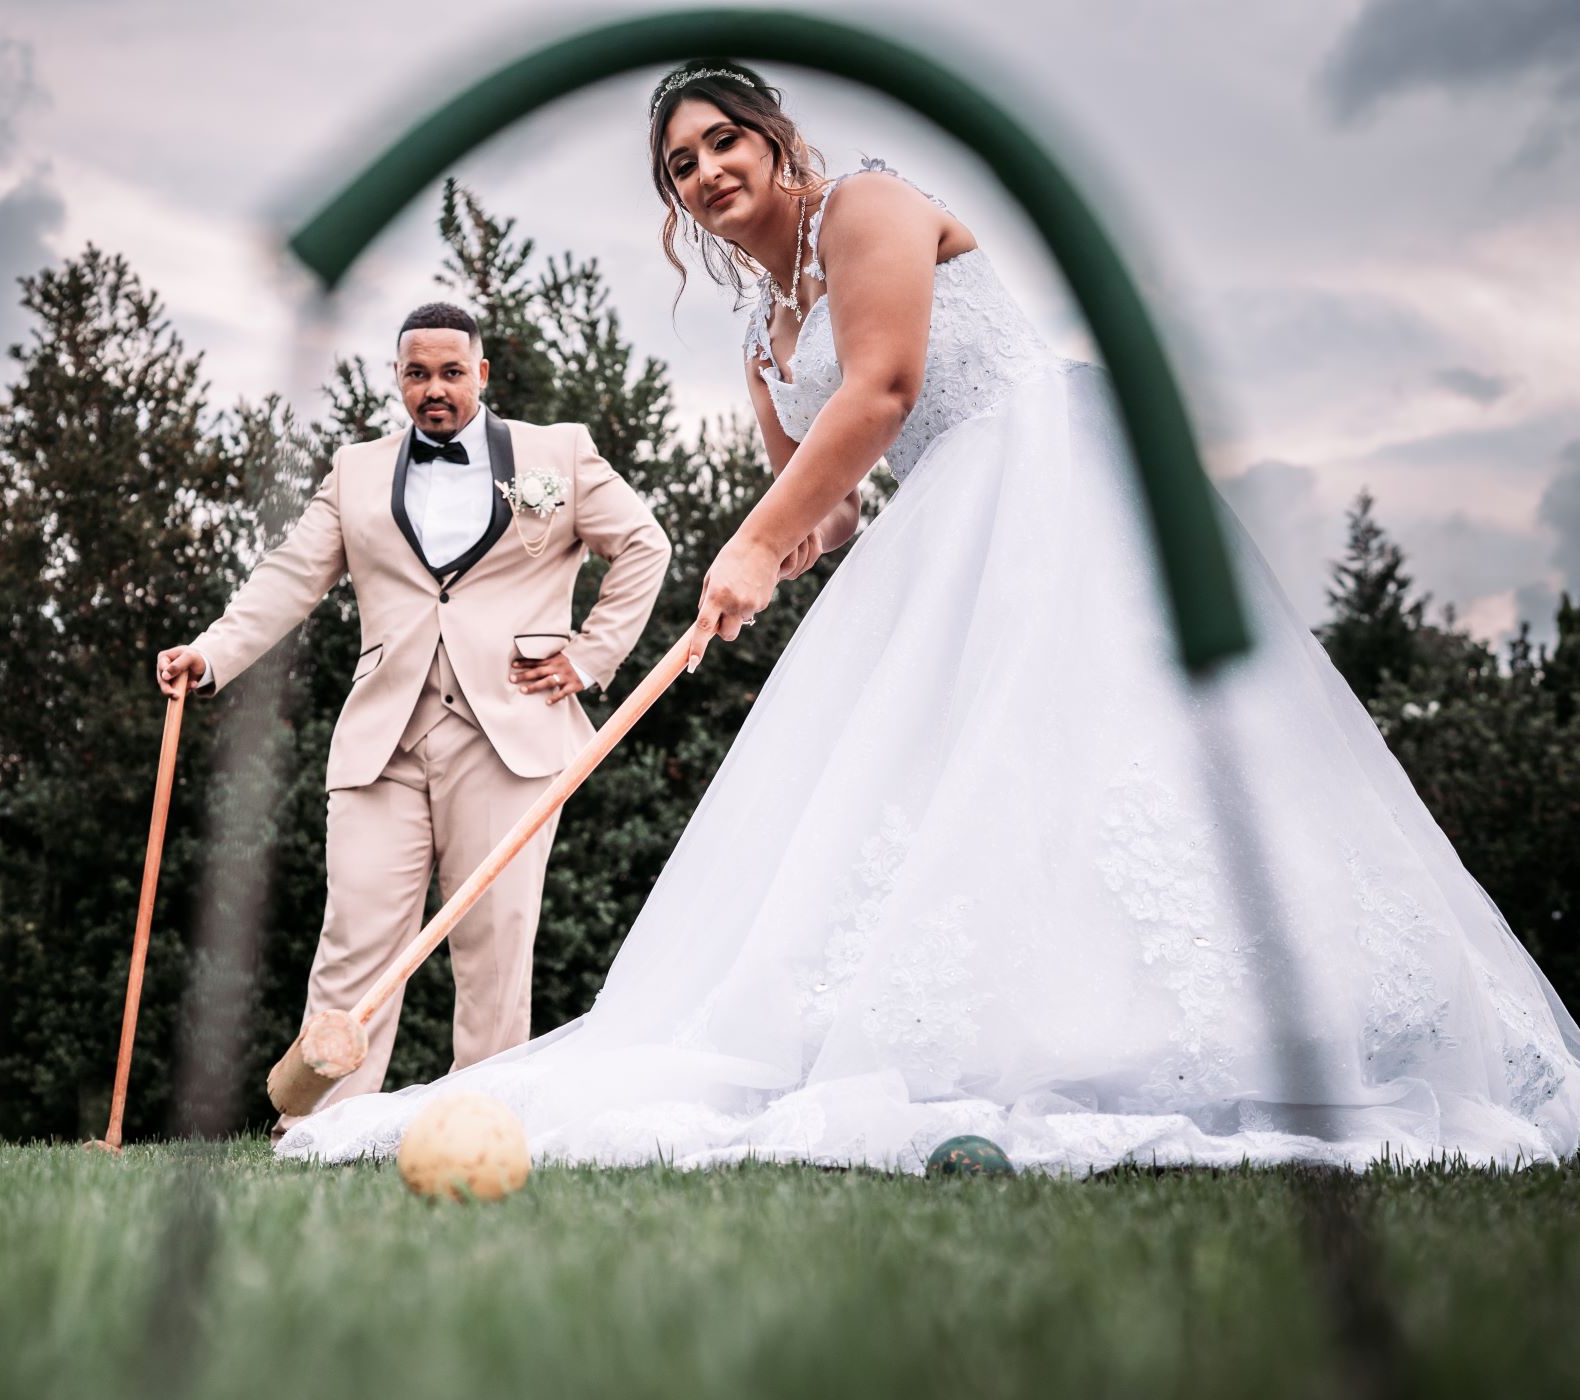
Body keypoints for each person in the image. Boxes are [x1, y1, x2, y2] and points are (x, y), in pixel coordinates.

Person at [276, 64, 1580, 1171]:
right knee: (953, 789)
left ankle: (1233, 1031)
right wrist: (781, 553)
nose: (708, 171)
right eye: (680, 164)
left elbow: (886, 388)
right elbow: (838, 502)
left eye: (725, 141)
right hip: (939, 526)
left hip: (1050, 487)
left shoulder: (873, 204)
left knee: (1111, 755)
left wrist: (754, 541)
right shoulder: (763, 333)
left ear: (775, 140)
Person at [159, 302, 670, 1130]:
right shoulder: (355, 471)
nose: (435, 389)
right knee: (355, 934)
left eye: (451, 372)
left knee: (495, 943)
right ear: (397, 378)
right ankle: (318, 1127)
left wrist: (589, 656)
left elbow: (645, 545)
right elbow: (290, 575)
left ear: (482, 374)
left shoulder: (560, 454)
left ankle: (482, 1122)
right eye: (417, 374)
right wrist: (210, 654)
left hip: (511, 733)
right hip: (382, 740)